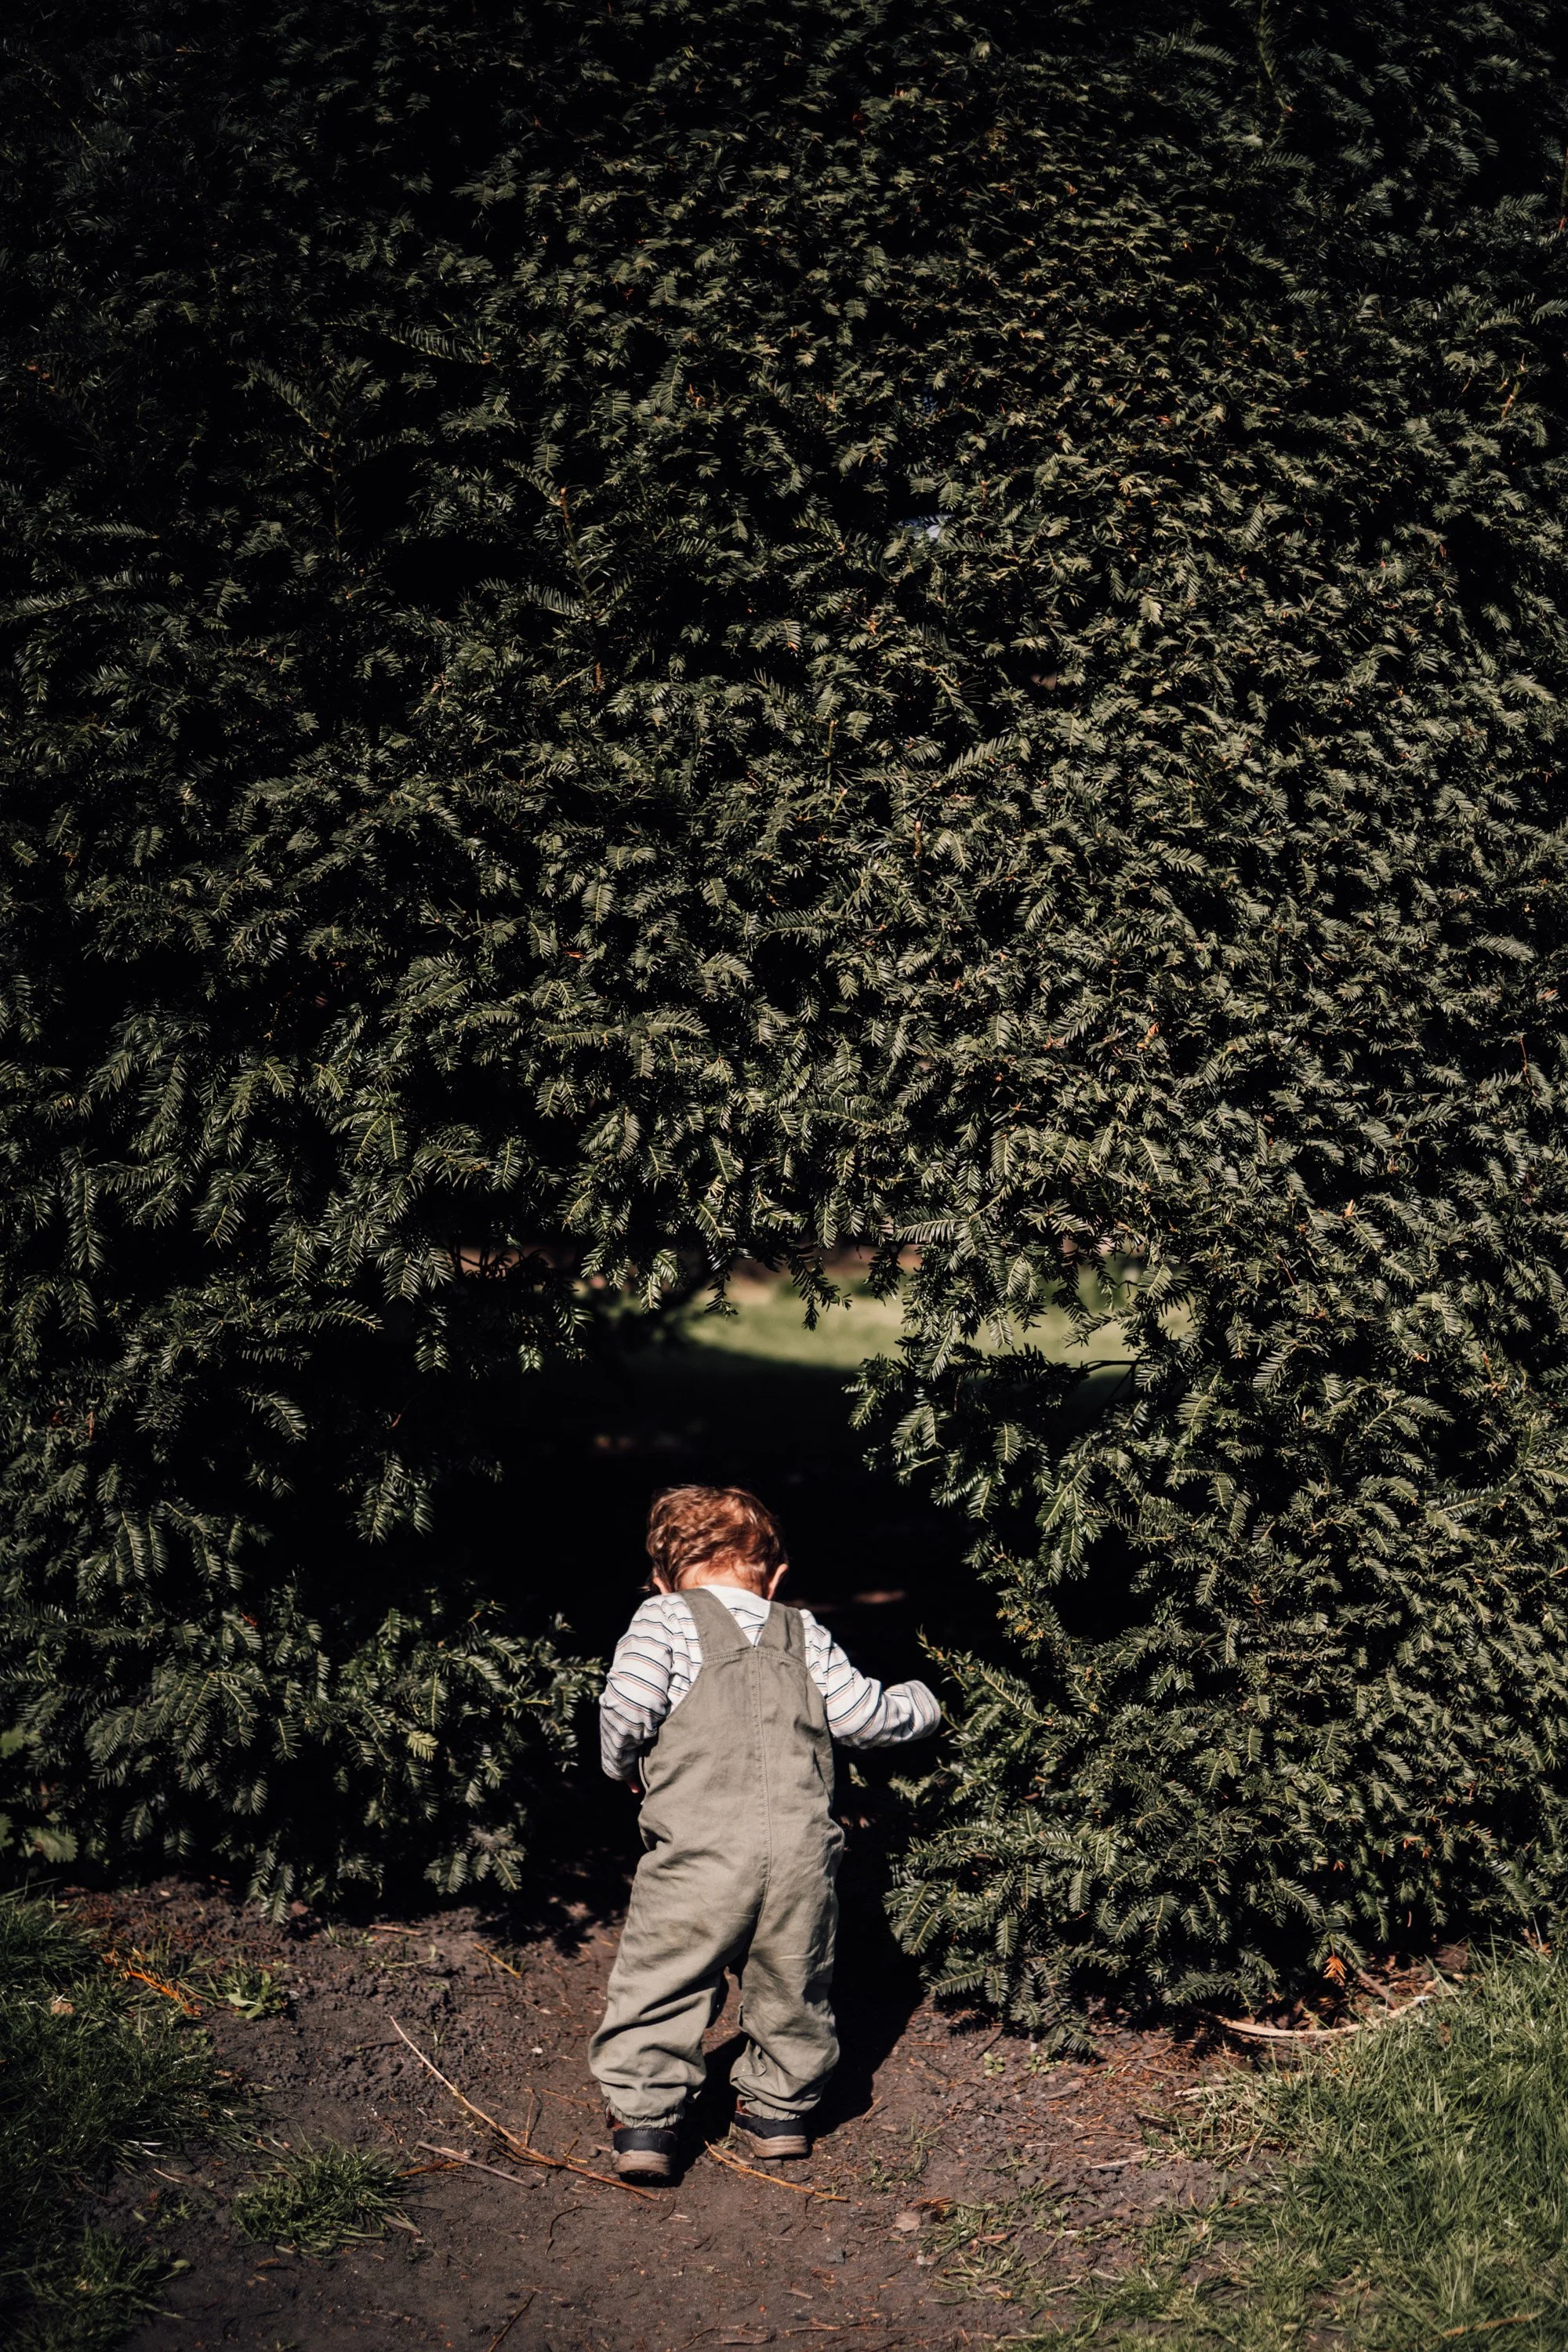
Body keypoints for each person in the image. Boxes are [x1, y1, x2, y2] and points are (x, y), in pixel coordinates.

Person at [588, 1484, 942, 2181]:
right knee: (792, 1982)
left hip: (697, 1854)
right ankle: (779, 2109)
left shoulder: (660, 1620)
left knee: (662, 1978)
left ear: (661, 1578)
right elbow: (866, 1720)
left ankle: (647, 2123)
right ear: (776, 1576)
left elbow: (624, 1710)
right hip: (801, 1858)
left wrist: (622, 1765)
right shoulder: (802, 1631)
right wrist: (922, 1703)